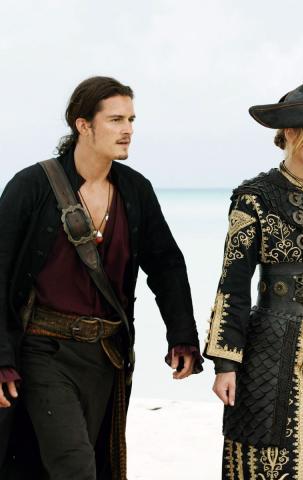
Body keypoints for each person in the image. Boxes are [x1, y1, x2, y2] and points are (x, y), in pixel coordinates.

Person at [0, 76, 203, 479]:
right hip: (44, 351)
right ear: (83, 125)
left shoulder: (135, 190)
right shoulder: (31, 186)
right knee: (75, 465)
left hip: (106, 357)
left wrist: (181, 335)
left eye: (131, 119)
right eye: (115, 120)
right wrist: (2, 358)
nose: (127, 130)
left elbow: (166, 264)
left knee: (87, 462)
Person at [204, 66, 303, 479]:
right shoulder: (253, 198)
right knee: (263, 456)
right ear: (290, 134)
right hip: (267, 348)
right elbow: (233, 283)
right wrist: (225, 364)